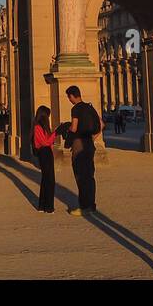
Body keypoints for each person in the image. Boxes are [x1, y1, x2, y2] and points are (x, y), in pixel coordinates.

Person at [66, 86, 100, 216]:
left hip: (79, 145)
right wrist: (91, 138)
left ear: (72, 96)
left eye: (69, 97)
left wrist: (67, 129)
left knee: (80, 176)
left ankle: (84, 206)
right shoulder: (90, 107)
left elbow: (74, 128)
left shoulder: (76, 108)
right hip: (89, 145)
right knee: (90, 175)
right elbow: (101, 125)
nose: (69, 100)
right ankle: (91, 205)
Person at [32, 106, 57, 213]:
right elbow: (45, 142)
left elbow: (48, 142)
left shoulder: (42, 127)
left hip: (47, 153)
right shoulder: (37, 127)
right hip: (43, 152)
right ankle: (48, 206)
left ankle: (42, 205)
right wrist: (55, 133)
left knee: (46, 179)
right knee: (50, 179)